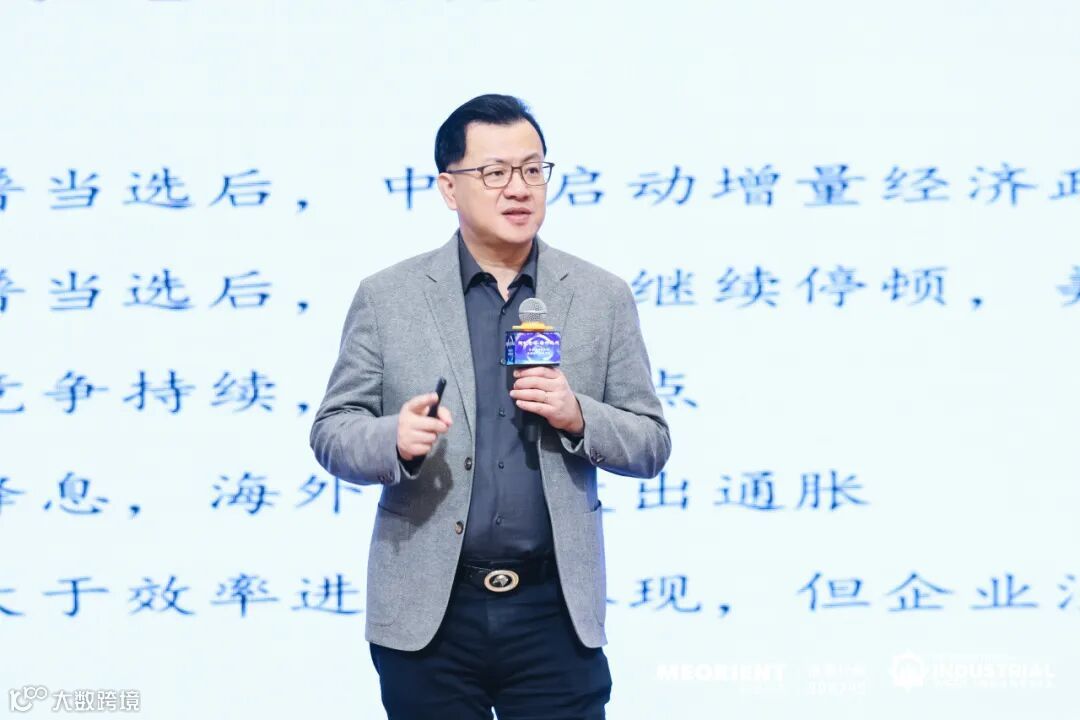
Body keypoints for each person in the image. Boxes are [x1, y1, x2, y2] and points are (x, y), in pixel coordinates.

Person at [309, 93, 671, 719]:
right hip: (430, 614)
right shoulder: (389, 297)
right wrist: (394, 438)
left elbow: (651, 443)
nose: (519, 188)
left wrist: (578, 415)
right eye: (495, 172)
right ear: (450, 188)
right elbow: (332, 431)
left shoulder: (601, 296)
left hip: (554, 613)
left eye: (533, 169)